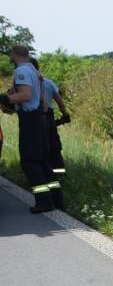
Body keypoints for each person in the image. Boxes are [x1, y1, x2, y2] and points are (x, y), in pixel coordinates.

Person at [0, 45, 59, 213]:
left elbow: (25, 95)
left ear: (13, 54)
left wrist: (4, 97)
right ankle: (56, 199)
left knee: (29, 163)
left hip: (31, 121)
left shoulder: (22, 72)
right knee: (41, 161)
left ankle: (44, 202)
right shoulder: (34, 70)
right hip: (40, 119)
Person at [31, 57, 70, 208]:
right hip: (49, 120)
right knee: (54, 148)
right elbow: (60, 102)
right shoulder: (49, 82)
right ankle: (59, 177)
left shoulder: (25, 85)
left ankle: (46, 180)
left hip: (35, 122)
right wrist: (65, 115)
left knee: (40, 152)